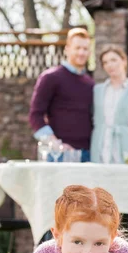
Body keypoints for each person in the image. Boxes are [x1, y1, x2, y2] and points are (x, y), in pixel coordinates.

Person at [28, 27, 94, 163]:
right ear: (67, 49)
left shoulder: (90, 84)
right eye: (77, 48)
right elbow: (35, 115)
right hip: (59, 154)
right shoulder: (50, 77)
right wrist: (55, 143)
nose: (81, 52)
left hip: (87, 154)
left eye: (85, 49)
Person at [90, 45, 128, 164]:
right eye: (105, 62)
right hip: (99, 143)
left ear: (124, 60)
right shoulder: (97, 90)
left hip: (126, 145)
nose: (110, 65)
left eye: (113, 60)